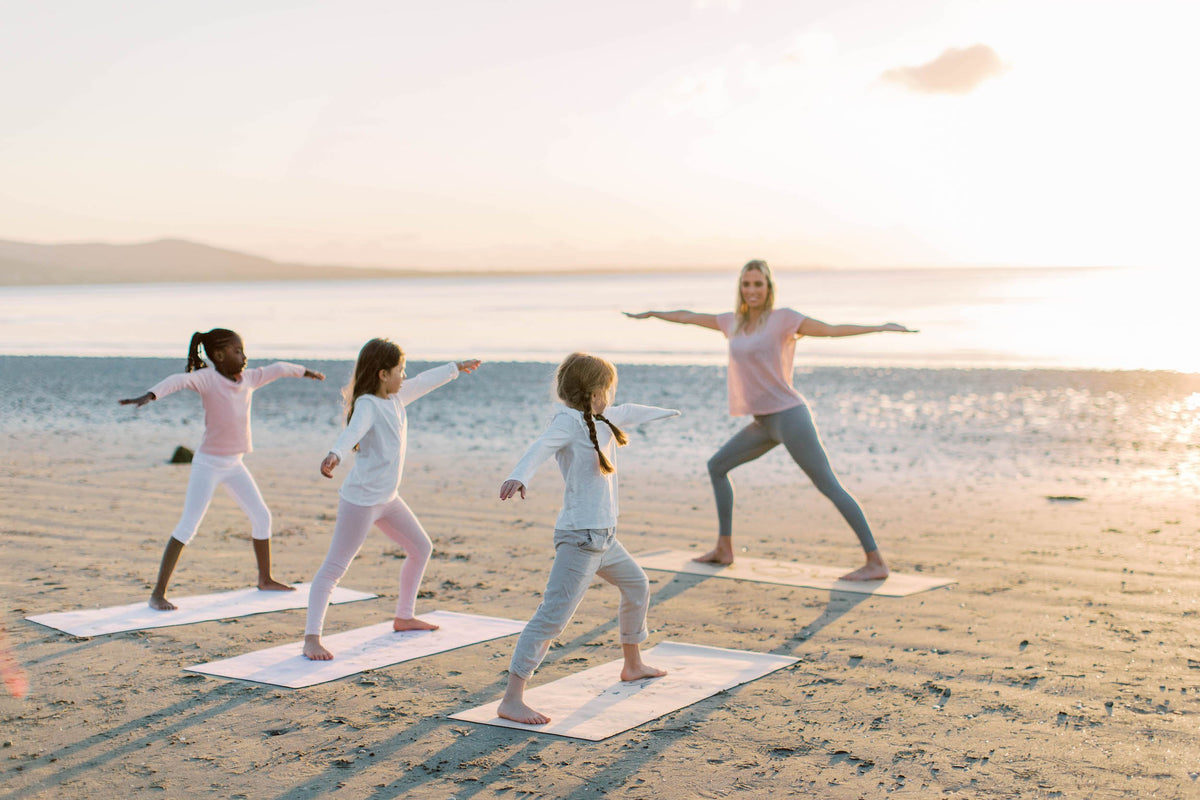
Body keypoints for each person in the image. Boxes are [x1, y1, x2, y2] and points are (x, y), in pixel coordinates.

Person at [625, 259, 916, 581]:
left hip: (790, 417)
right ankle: (724, 549)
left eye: (758, 285)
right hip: (763, 423)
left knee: (828, 485)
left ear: (768, 288)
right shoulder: (731, 322)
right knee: (717, 466)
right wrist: (652, 313)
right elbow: (688, 318)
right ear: (740, 288)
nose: (752, 291)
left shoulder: (784, 320)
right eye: (746, 285)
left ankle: (875, 561)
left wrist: (880, 327)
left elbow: (831, 331)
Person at [496, 352, 678, 725]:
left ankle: (633, 664)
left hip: (605, 539)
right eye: (609, 389)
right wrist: (520, 476)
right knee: (552, 618)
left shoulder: (600, 418)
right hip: (580, 539)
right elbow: (540, 447)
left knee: (637, 586)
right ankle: (512, 699)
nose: (612, 396)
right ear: (595, 392)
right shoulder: (566, 422)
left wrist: (670, 412)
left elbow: (630, 410)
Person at [120, 328, 326, 610]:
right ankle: (157, 594)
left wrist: (306, 372)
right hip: (208, 464)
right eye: (237, 351)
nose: (244, 356)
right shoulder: (207, 379)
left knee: (262, 517)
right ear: (218, 355)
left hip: (235, 464)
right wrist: (151, 395)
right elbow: (177, 381)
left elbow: (278, 368)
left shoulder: (249, 378)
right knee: (188, 526)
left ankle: (265, 579)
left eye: (243, 350)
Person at [303, 339, 480, 661]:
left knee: (421, 548)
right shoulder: (369, 404)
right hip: (362, 501)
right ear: (383, 374)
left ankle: (404, 616)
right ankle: (312, 638)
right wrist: (335, 454)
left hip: (388, 498)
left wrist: (456, 368)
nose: (404, 376)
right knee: (334, 568)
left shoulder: (397, 397)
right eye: (400, 370)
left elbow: (424, 381)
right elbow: (352, 432)